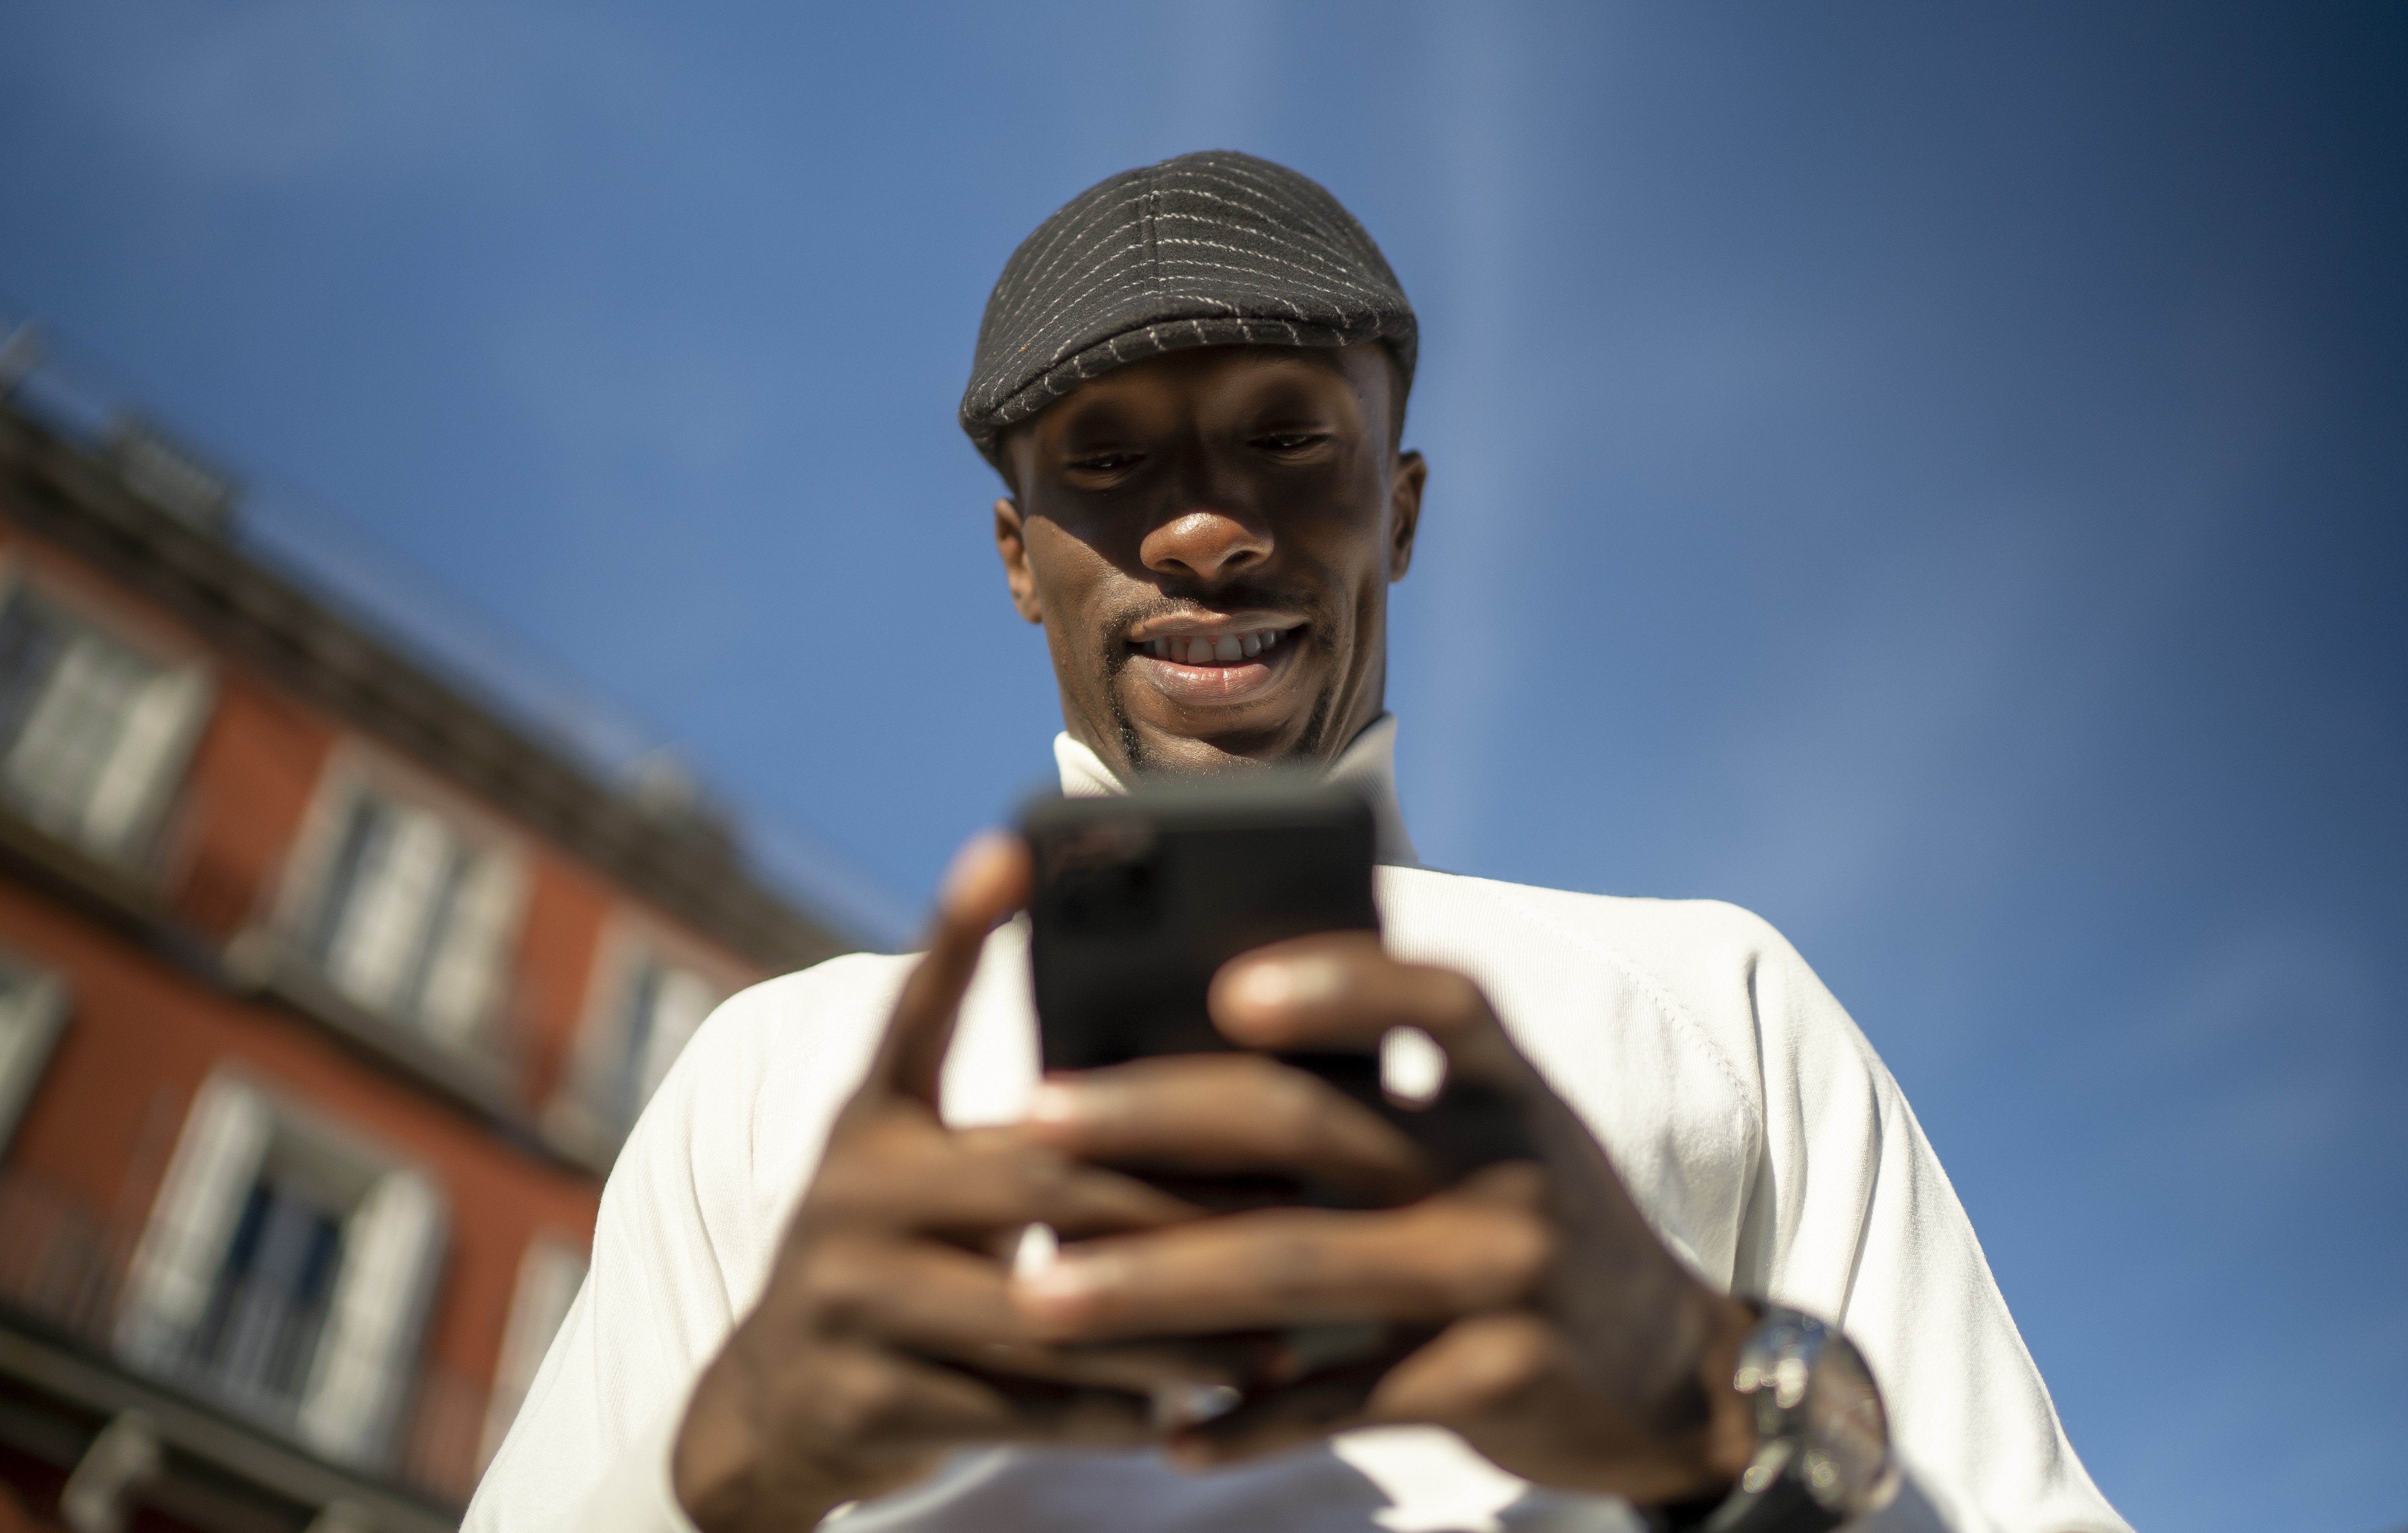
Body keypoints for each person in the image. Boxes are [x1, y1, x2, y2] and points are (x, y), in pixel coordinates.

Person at [467, 152, 2129, 1533]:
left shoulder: (1723, 1002)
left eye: (1288, 440)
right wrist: (721, 1460)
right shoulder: (769, 1074)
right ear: (1016, 559)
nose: (1201, 527)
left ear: (1397, 512)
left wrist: (1709, 1402)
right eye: (1107, 464)